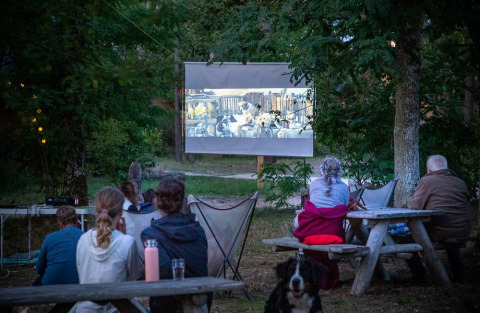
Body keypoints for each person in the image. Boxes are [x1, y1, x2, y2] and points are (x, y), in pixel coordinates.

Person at [141, 178, 209, 313]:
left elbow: (162, 271)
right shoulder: (197, 229)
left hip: (168, 305)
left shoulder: (150, 234)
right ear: (181, 201)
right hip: (202, 302)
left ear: (156, 202)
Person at [401, 154, 471, 283]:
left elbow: (414, 206)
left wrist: (409, 199)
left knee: (404, 239)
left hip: (441, 231)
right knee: (449, 227)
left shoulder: (427, 181)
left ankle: (421, 276)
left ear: (429, 170)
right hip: (463, 230)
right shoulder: (460, 182)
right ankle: (459, 272)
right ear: (446, 168)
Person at [75, 186, 141, 312]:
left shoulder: (83, 240)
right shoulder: (127, 242)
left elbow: (82, 274)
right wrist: (124, 236)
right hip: (118, 309)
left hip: (85, 309)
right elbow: (133, 278)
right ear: (121, 212)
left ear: (96, 209)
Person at [293, 156, 350, 290]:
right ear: (339, 171)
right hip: (333, 234)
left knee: (301, 222)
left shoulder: (313, 185)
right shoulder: (344, 188)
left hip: (310, 233)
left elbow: (314, 204)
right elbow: (345, 206)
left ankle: (314, 277)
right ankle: (329, 277)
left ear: (321, 171)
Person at [34, 205, 83, 286]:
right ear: (77, 221)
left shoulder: (50, 238)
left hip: (51, 286)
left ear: (60, 223)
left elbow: (39, 268)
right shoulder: (86, 237)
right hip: (80, 283)